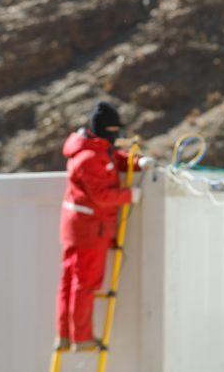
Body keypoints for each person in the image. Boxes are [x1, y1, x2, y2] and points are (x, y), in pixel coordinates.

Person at [54, 101, 154, 352]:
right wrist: (130, 195)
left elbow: (110, 162)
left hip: (80, 227)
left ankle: (66, 335)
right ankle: (82, 338)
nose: (115, 137)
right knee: (84, 285)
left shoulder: (92, 149)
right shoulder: (88, 157)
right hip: (89, 230)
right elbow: (101, 193)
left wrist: (136, 163)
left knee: (70, 283)